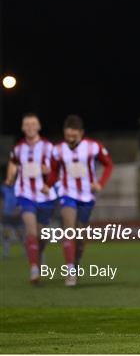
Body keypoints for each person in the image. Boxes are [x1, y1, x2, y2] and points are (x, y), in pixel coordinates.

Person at [42, 115, 113, 286]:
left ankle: (76, 260)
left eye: (74, 136)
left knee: (80, 237)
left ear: (81, 133)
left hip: (87, 196)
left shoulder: (93, 147)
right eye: (68, 136)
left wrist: (100, 183)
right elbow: (54, 171)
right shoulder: (57, 150)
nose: (71, 140)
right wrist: (48, 185)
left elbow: (109, 165)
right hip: (67, 193)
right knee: (69, 230)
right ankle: (70, 270)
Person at [5, 113, 57, 283]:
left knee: (42, 235)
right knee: (31, 231)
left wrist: (48, 171)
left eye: (33, 124)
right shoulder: (18, 148)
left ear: (39, 126)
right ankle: (34, 270)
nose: (30, 127)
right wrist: (10, 177)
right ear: (22, 127)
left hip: (45, 197)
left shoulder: (49, 147)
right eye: (26, 124)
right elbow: (13, 163)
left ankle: (38, 254)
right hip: (25, 194)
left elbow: (57, 168)